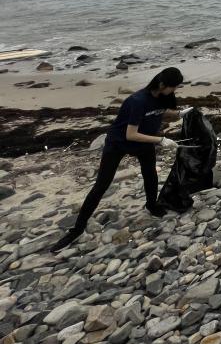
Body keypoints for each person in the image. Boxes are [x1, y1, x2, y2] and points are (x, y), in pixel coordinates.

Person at [50, 67, 191, 253]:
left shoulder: (161, 97)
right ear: (162, 84)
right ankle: (77, 228)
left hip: (144, 141)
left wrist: (179, 114)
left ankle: (152, 205)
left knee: (150, 174)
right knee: (101, 185)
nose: (174, 91)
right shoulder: (137, 101)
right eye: (173, 87)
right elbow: (131, 134)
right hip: (118, 144)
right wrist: (161, 140)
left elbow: (158, 113)